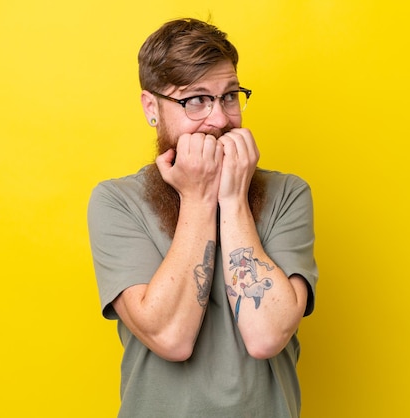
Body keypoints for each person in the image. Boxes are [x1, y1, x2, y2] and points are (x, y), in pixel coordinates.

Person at [87, 17, 318, 418]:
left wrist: (232, 199)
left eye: (230, 96)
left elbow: (266, 336)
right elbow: (171, 338)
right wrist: (198, 198)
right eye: (195, 100)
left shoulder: (289, 194)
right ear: (151, 108)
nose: (220, 119)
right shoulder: (116, 202)